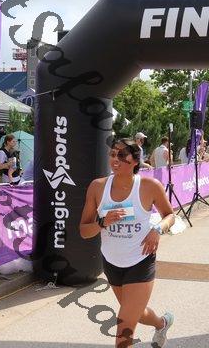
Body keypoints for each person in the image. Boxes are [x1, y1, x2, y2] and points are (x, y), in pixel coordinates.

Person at [79, 138, 175, 348]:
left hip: (140, 261)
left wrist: (157, 230)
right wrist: (102, 222)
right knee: (136, 313)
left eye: (122, 155)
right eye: (113, 154)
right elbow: (84, 231)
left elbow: (170, 215)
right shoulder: (97, 187)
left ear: (135, 161)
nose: (115, 159)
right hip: (112, 263)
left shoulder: (149, 186)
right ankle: (162, 323)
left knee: (124, 327)